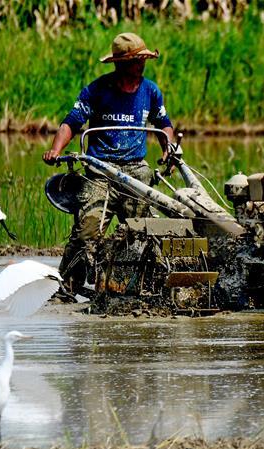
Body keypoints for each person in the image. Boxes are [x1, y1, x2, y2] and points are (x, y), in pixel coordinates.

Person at [43, 32, 174, 294]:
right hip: (100, 171)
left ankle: (152, 288)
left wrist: (168, 150)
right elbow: (72, 122)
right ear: (122, 63)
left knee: (146, 232)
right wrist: (56, 149)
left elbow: (165, 126)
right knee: (86, 233)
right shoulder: (97, 90)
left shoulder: (151, 91)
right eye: (138, 60)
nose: (143, 65)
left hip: (136, 170)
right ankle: (67, 290)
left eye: (143, 60)